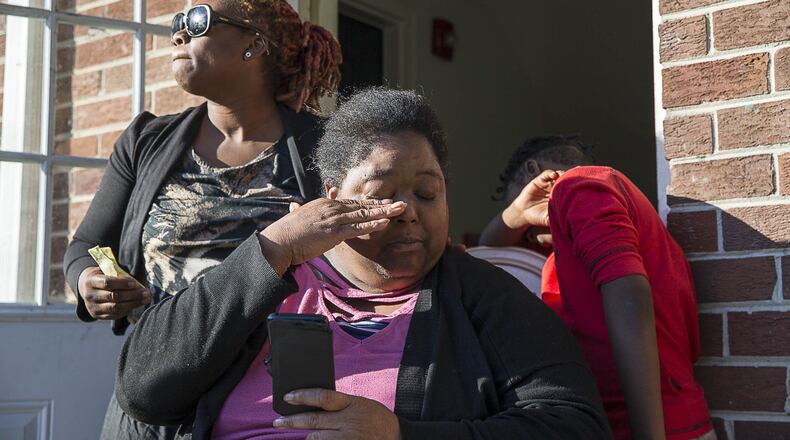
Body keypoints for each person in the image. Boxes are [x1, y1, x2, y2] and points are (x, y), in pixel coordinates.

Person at [115, 88, 613, 440]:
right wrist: (271, 249)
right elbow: (143, 390)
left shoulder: (484, 297)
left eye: (427, 192)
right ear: (332, 199)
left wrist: (401, 434)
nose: (408, 211)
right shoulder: (272, 275)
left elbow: (575, 424)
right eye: (382, 194)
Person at [62, 1, 341, 438]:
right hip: (152, 394)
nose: (178, 34)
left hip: (268, 405)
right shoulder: (146, 140)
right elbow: (84, 247)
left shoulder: (324, 147)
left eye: (196, 21)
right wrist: (87, 282)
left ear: (254, 44)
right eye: (177, 22)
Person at [480, 135, 714, 440]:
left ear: (533, 171)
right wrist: (517, 214)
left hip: (651, 429)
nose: (528, 233)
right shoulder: (582, 238)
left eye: (525, 228)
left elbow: (629, 296)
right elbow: (489, 249)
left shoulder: (578, 186)